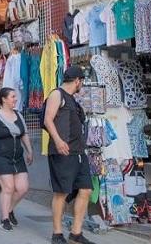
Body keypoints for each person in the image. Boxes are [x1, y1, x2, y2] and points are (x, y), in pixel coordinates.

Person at [44, 66, 94, 244]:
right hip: (62, 151)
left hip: (78, 152)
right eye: (82, 81)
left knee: (86, 189)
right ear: (77, 81)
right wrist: (57, 141)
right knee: (61, 192)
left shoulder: (72, 99)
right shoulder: (57, 94)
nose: (82, 85)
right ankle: (57, 233)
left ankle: (76, 232)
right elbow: (48, 119)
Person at [0, 87, 33, 231]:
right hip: (0, 156)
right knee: (8, 187)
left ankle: (9, 210)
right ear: (4, 99)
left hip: (17, 157)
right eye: (13, 97)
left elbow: (24, 134)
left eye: (15, 97)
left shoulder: (19, 115)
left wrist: (30, 151)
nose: (15, 99)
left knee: (22, 188)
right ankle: (4, 219)